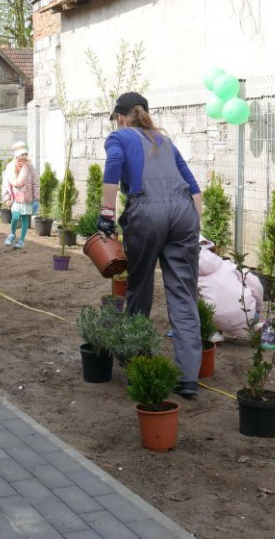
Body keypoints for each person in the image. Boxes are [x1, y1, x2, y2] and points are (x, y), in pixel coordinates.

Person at [97, 92, 203, 398]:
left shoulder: (119, 138)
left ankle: (138, 361)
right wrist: (195, 232)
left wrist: (106, 215)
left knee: (140, 290)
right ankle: (187, 378)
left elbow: (114, 165)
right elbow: (194, 188)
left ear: (119, 116)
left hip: (147, 212)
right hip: (184, 214)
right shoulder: (165, 141)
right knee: (183, 293)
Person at [197, 236, 264, 340]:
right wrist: (259, 308)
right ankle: (261, 328)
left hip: (216, 315)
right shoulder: (226, 265)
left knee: (201, 299)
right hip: (246, 310)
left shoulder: (192, 275)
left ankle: (212, 333)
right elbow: (255, 283)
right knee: (245, 303)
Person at [2, 142, 39, 250]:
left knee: (24, 219)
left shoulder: (30, 168)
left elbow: (35, 183)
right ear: (17, 156)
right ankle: (12, 234)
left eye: (25, 156)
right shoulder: (9, 168)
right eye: (21, 156)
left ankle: (21, 241)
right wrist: (7, 198)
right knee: (15, 217)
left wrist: (36, 199)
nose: (23, 159)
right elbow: (5, 184)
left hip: (26, 198)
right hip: (15, 198)